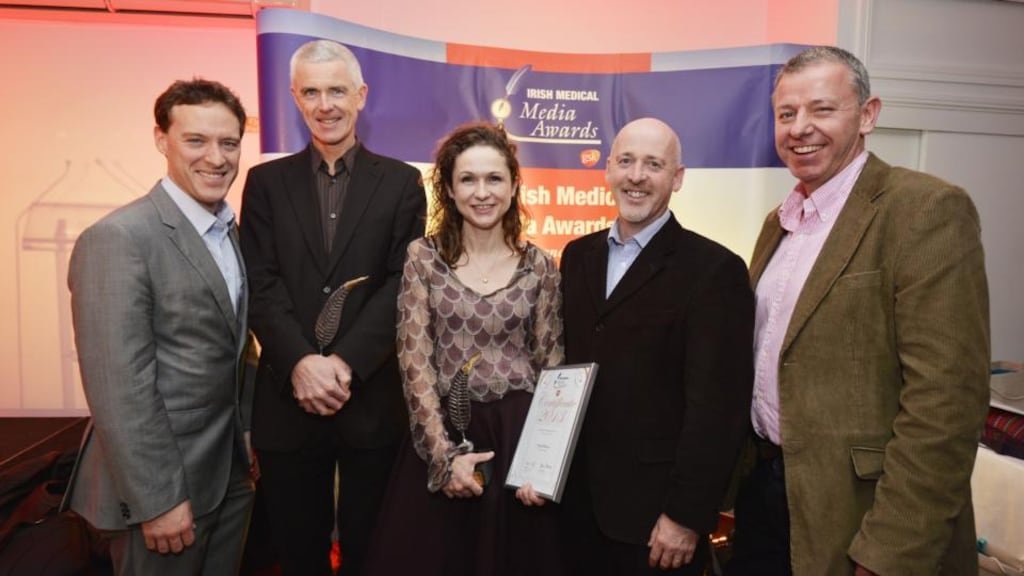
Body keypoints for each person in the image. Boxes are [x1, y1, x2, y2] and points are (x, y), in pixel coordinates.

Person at [724, 46, 990, 576]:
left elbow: (945, 405)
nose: (801, 128)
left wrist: (889, 552)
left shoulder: (925, 210)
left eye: (822, 109)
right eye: (786, 114)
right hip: (768, 503)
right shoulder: (779, 222)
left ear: (868, 115)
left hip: (863, 520)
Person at [238, 39, 426, 576]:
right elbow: (260, 280)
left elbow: (401, 284)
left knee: (373, 552)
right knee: (298, 555)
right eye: (312, 92)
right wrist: (300, 361)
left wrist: (342, 364)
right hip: (286, 404)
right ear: (296, 98)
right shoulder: (265, 184)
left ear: (361, 95)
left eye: (337, 90)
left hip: (369, 402)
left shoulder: (402, 183)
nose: (326, 104)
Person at [64, 78, 255, 575]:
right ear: (160, 140)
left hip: (227, 474)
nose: (216, 157)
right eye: (196, 140)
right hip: (166, 491)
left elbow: (233, 349)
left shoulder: (227, 232)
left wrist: (248, 435)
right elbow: (117, 385)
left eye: (229, 143)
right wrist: (157, 499)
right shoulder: (119, 238)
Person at [363, 122, 565, 576]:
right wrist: (444, 458)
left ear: (514, 186)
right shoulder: (424, 259)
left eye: (494, 178)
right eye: (467, 179)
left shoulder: (541, 267)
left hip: (519, 443)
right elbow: (415, 364)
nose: (482, 192)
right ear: (450, 191)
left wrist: (544, 464)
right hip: (444, 434)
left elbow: (553, 372)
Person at [559, 117, 755, 575]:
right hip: (574, 509)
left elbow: (718, 409)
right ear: (607, 170)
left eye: (653, 164)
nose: (636, 176)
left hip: (655, 523)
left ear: (677, 177)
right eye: (625, 161)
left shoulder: (713, 271)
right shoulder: (576, 257)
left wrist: (687, 515)